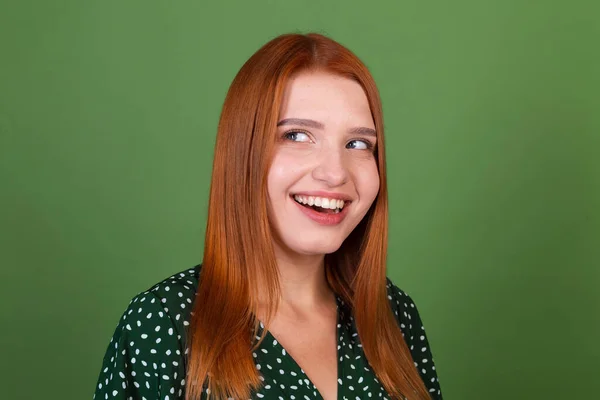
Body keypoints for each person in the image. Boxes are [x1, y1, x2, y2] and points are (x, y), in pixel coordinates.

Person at [93, 32, 443, 400]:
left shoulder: (393, 314)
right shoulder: (164, 322)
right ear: (243, 151)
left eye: (358, 144)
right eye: (297, 135)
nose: (335, 173)